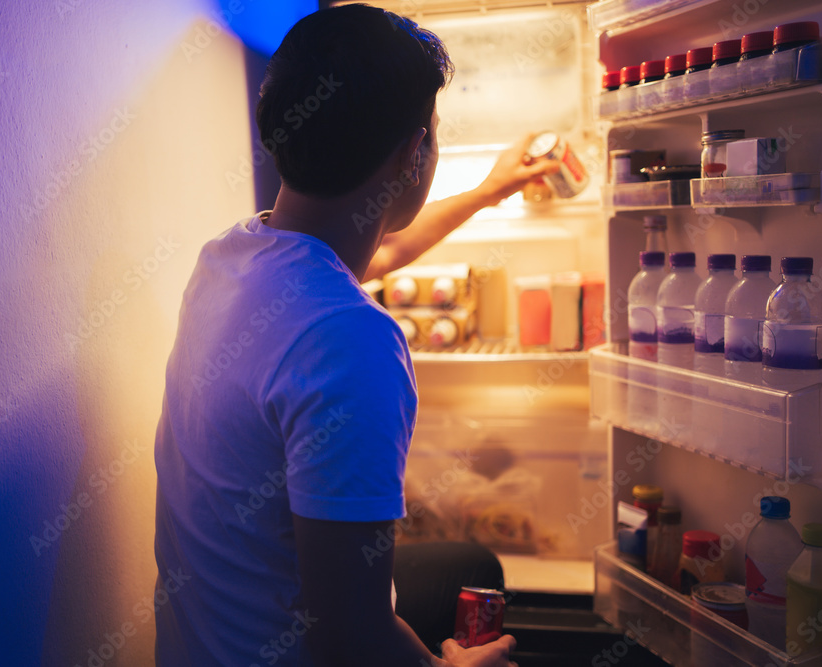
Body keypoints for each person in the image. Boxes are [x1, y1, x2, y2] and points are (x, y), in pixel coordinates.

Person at [153, 5, 557, 666]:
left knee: (466, 559)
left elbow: (377, 252)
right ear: (411, 155)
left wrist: (489, 192)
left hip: (203, 643)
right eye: (431, 130)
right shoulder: (352, 342)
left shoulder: (229, 257)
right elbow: (350, 640)